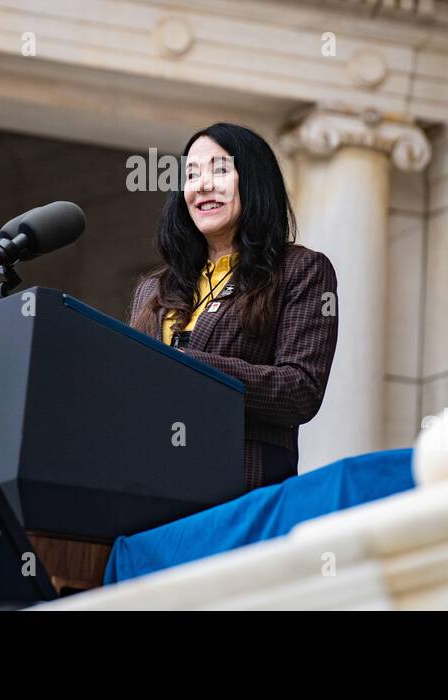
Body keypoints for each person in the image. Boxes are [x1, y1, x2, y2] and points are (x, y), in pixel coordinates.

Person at [128, 123, 339, 491]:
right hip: (150, 486)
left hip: (241, 491)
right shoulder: (153, 289)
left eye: (219, 169)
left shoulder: (301, 270)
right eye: (191, 175)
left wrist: (191, 368)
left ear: (254, 180)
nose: (203, 184)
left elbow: (300, 391)